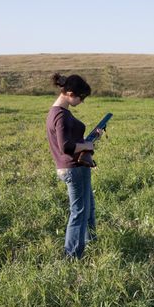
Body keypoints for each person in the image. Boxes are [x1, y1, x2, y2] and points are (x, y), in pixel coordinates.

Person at [46, 73, 103, 259]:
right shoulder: (60, 116)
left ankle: (90, 244)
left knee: (88, 208)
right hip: (73, 169)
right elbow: (66, 147)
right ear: (70, 93)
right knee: (79, 212)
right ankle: (72, 256)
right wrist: (87, 145)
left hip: (76, 168)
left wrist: (90, 139)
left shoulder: (58, 112)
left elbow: (71, 141)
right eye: (81, 97)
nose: (82, 101)